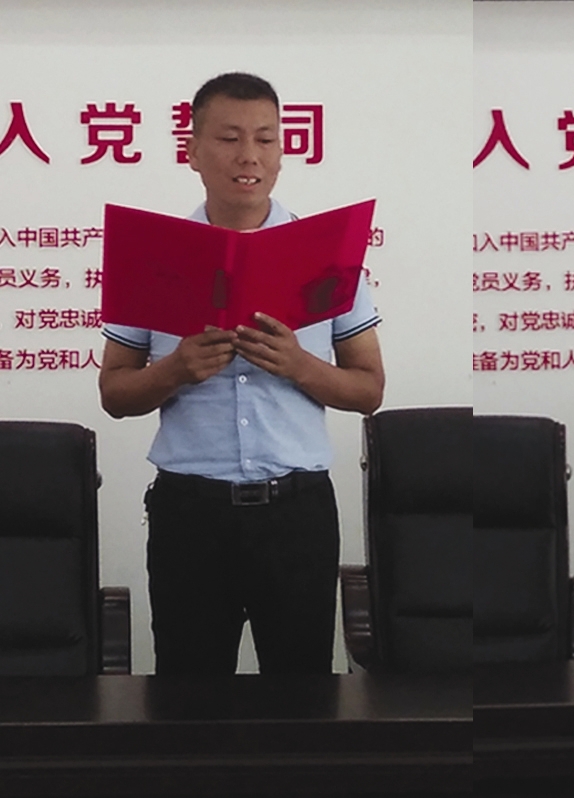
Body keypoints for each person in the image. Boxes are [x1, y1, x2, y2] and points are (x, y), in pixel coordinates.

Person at [98, 72, 384, 676]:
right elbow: (114, 393)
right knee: (189, 697)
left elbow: (369, 390)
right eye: (229, 138)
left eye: (266, 139)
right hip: (190, 512)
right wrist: (175, 370)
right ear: (193, 151)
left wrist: (300, 365)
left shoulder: (328, 257)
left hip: (297, 513)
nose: (249, 155)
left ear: (282, 151)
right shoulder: (152, 257)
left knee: (303, 694)